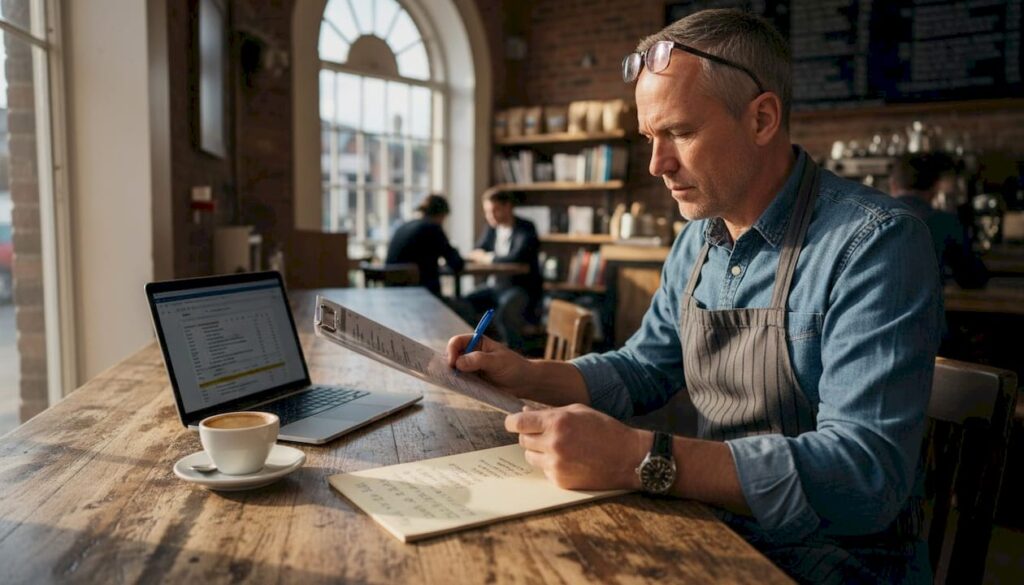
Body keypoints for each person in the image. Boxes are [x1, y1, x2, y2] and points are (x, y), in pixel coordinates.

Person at [447, 9, 942, 584]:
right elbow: (642, 368)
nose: (657, 164)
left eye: (679, 133)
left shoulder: (874, 244)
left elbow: (864, 477)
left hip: (837, 562)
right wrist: (527, 374)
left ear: (761, 119)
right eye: (650, 138)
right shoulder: (697, 241)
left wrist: (641, 457)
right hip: (718, 530)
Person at [889, 152, 988, 288]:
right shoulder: (946, 223)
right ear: (935, 186)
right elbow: (972, 277)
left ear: (893, 185)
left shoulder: (868, 221)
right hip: (928, 299)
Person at [465, 189, 542, 350]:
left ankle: (514, 354)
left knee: (506, 311)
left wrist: (488, 258)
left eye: (495, 210)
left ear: (508, 207)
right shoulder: (491, 228)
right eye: (487, 211)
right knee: (464, 304)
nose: (490, 216)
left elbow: (517, 257)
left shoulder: (526, 227)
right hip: (494, 286)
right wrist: (483, 255)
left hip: (519, 287)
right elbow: (476, 251)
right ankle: (476, 348)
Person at [385, 194, 464, 298]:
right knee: (465, 305)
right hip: (422, 297)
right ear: (441, 214)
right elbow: (457, 263)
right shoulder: (432, 228)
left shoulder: (404, 226)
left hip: (393, 295)